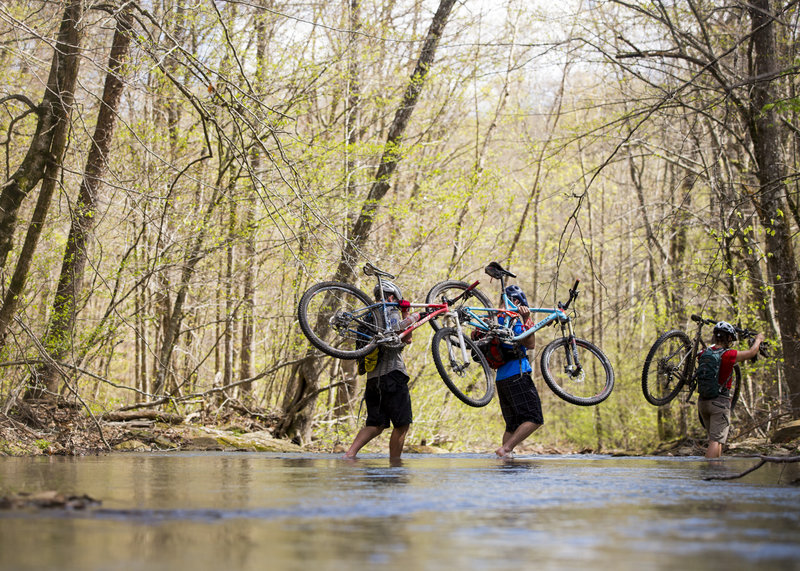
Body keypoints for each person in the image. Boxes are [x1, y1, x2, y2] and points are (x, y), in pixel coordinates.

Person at [344, 280, 413, 460]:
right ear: (391, 297)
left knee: (376, 424)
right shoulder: (391, 311)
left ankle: (349, 455)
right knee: (402, 425)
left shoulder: (368, 317)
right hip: (393, 375)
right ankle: (395, 465)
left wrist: (405, 315)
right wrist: (405, 314)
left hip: (373, 380)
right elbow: (404, 341)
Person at [698, 321, 763, 459]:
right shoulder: (729, 355)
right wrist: (758, 340)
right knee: (716, 440)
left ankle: (716, 471)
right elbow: (752, 352)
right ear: (729, 338)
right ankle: (708, 471)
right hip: (719, 403)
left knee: (716, 439)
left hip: (703, 403)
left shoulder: (703, 353)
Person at [493, 284, 542, 459]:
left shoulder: (496, 319)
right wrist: (526, 318)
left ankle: (505, 458)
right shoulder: (513, 320)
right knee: (535, 418)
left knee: (512, 425)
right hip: (517, 374)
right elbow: (530, 344)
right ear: (516, 301)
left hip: (501, 378)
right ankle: (506, 450)